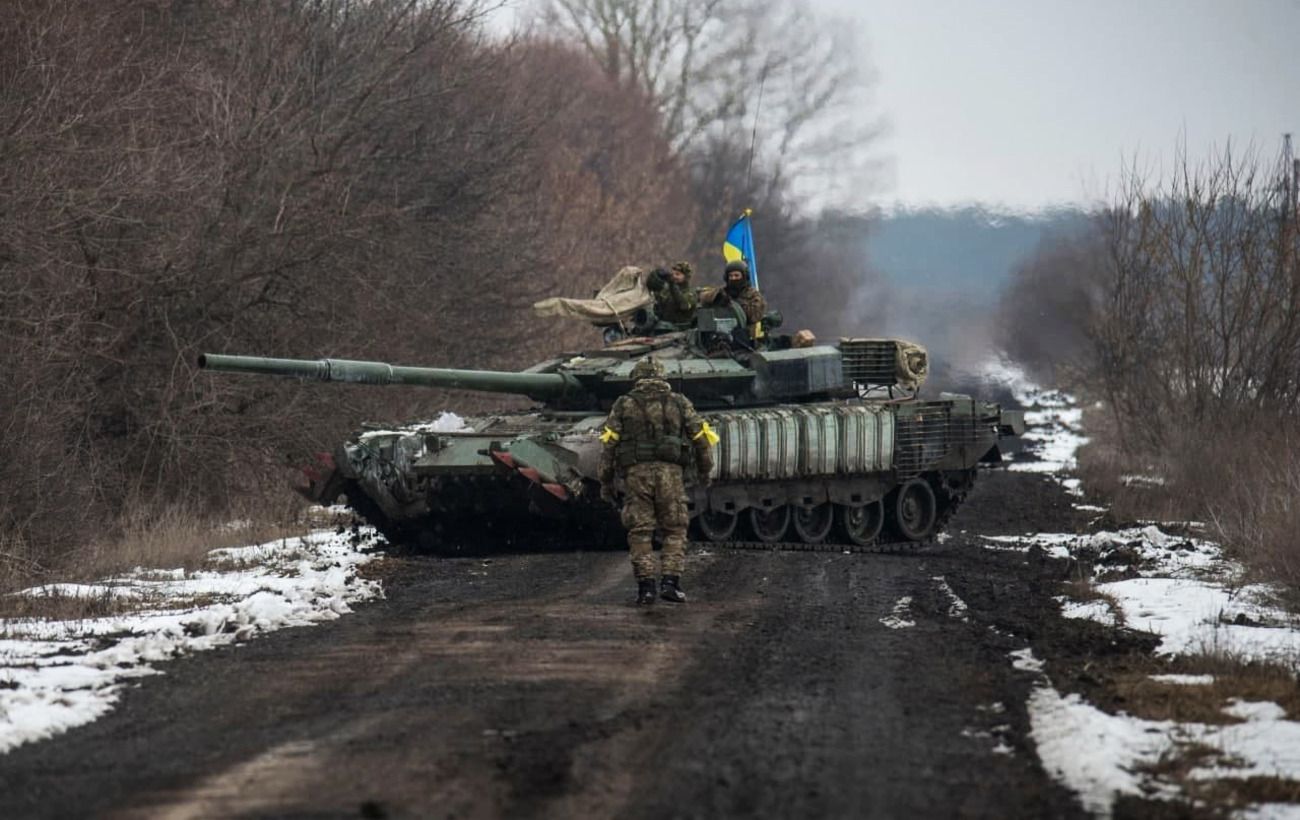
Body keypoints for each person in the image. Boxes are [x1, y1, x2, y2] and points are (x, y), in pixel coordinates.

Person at [598, 357, 717, 606]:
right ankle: (671, 584)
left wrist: (606, 481)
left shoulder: (624, 404)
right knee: (674, 529)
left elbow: (609, 444)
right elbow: (700, 438)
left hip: (636, 476)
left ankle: (646, 588)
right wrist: (705, 471)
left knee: (640, 531)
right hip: (670, 475)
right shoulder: (679, 402)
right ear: (663, 378)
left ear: (637, 378)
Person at [700, 260, 767, 342]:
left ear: (744, 276)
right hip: (718, 337)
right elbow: (703, 298)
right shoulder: (723, 292)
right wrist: (716, 298)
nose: (733, 278)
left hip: (745, 339)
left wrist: (733, 303)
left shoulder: (753, 296)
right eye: (730, 276)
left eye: (736, 276)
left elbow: (754, 316)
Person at [645, 261, 698, 326]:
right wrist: (655, 276)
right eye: (673, 274)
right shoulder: (667, 290)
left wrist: (672, 284)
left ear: (686, 277)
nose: (674, 276)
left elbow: (683, 305)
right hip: (663, 327)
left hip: (681, 328)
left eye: (678, 274)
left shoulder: (691, 294)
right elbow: (655, 295)